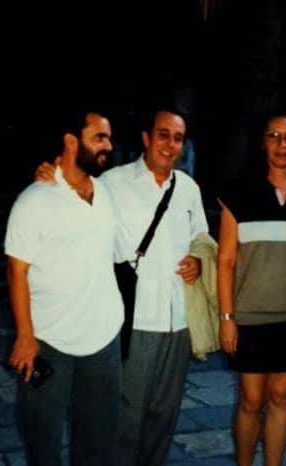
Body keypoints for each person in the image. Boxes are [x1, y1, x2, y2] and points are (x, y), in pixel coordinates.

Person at [34, 106, 209, 466]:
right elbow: (70, 205)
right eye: (163, 135)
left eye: (178, 138)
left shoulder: (189, 188)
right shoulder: (112, 183)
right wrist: (50, 179)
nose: (170, 144)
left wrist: (199, 260)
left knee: (164, 417)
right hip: (133, 322)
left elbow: (201, 239)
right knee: (123, 420)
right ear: (146, 138)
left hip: (178, 323)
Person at [4, 110, 123, 466]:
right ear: (71, 141)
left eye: (109, 138)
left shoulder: (107, 191)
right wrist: (25, 336)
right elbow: (16, 271)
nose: (108, 146)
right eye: (99, 137)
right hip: (49, 344)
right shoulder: (34, 200)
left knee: (99, 446)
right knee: (43, 444)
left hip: (103, 340)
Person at [216, 112, 286, 466]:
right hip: (250, 317)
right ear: (262, 142)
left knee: (282, 396)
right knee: (251, 400)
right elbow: (225, 261)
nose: (282, 144)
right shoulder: (238, 193)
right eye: (274, 136)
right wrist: (226, 318)